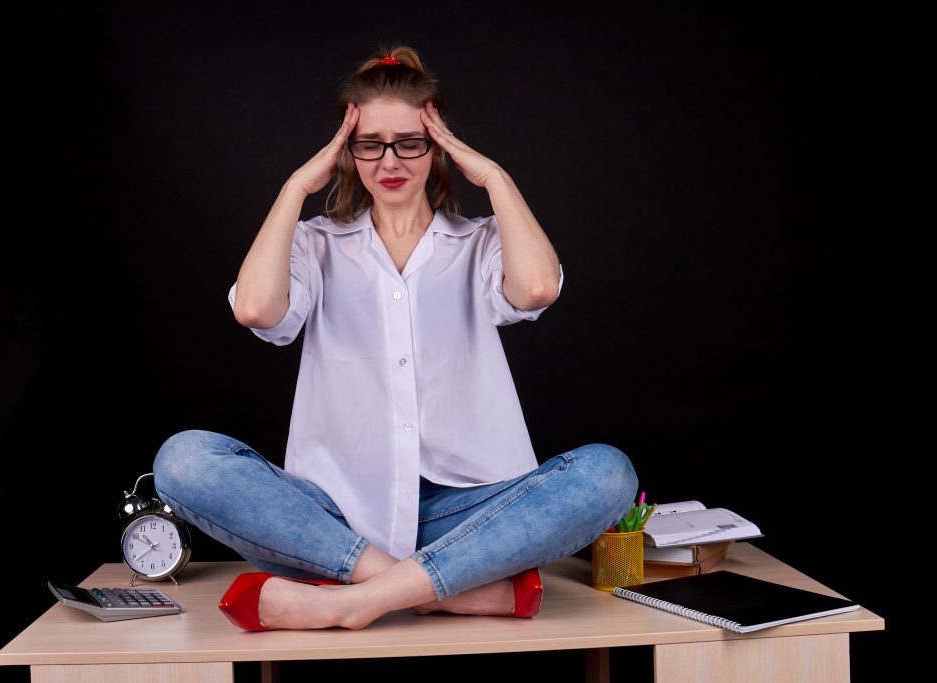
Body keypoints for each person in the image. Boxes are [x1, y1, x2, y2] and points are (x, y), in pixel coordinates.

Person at [152, 44, 638, 632]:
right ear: (347, 149)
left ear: (437, 145)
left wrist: (495, 177)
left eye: (410, 142)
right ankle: (433, 589)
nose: (391, 161)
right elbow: (255, 309)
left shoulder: (481, 242)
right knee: (183, 460)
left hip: (470, 519)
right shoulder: (314, 244)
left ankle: (351, 602)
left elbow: (536, 288)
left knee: (609, 474)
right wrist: (295, 188)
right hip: (337, 524)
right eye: (371, 144)